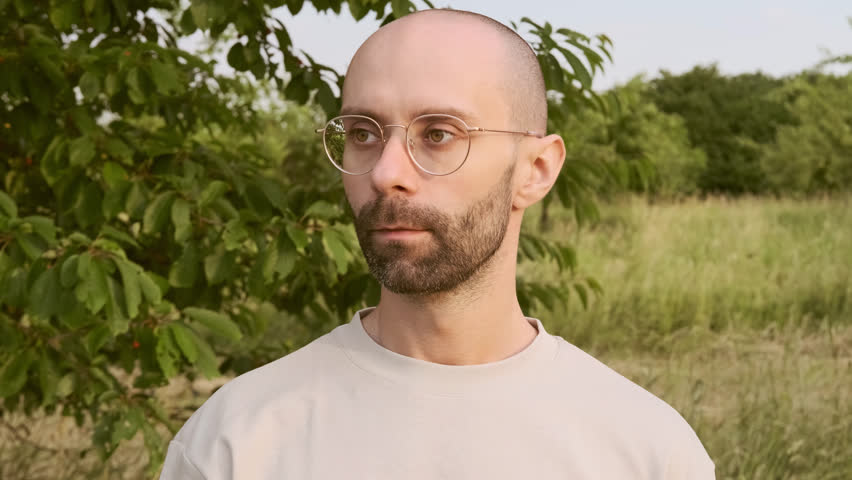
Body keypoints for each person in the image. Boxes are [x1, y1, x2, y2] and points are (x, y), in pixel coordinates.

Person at [160, 8, 715, 479]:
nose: (386, 172)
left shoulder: (648, 453)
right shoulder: (234, 442)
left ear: (537, 169)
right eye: (362, 134)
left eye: (439, 134)